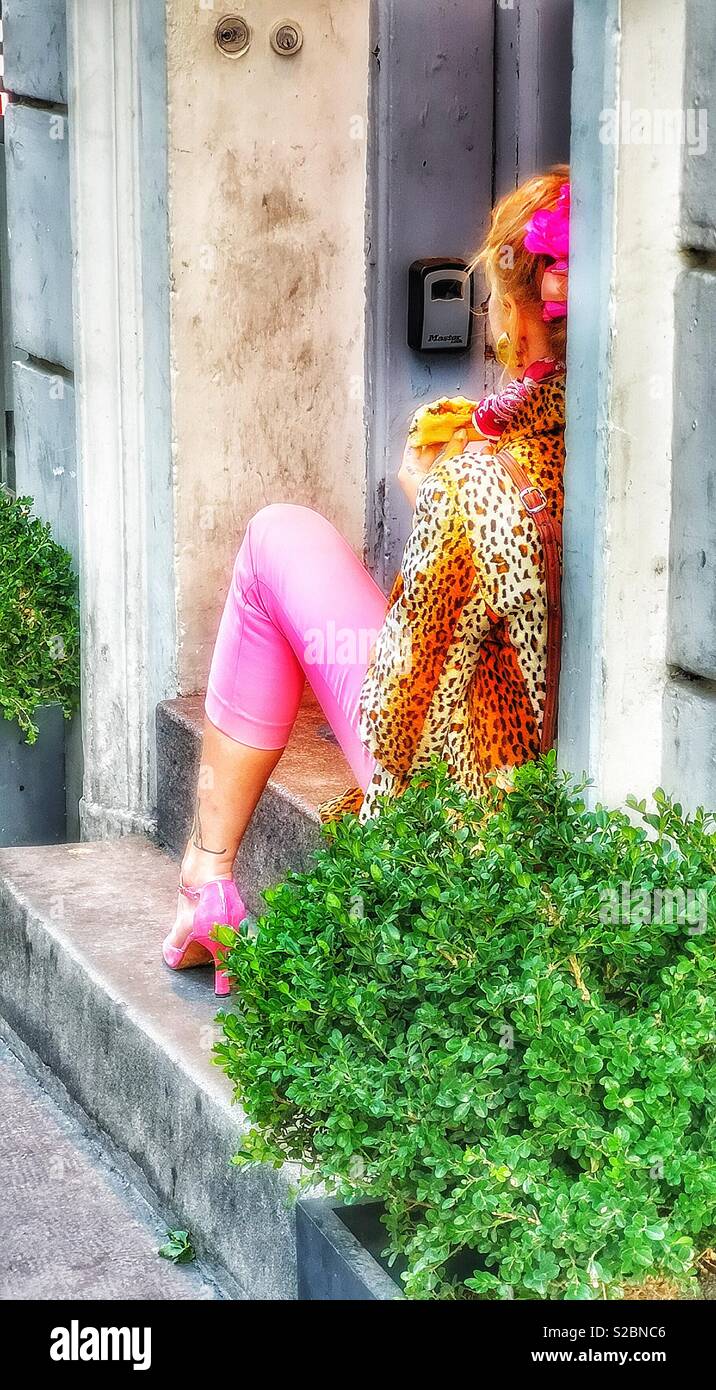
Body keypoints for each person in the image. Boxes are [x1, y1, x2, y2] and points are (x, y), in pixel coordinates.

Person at [163, 168, 570, 994]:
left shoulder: (476, 484)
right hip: (559, 774)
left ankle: (208, 881)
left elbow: (394, 719)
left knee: (280, 535)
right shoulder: (629, 430)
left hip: (469, 807)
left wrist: (433, 504)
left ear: (518, 305)